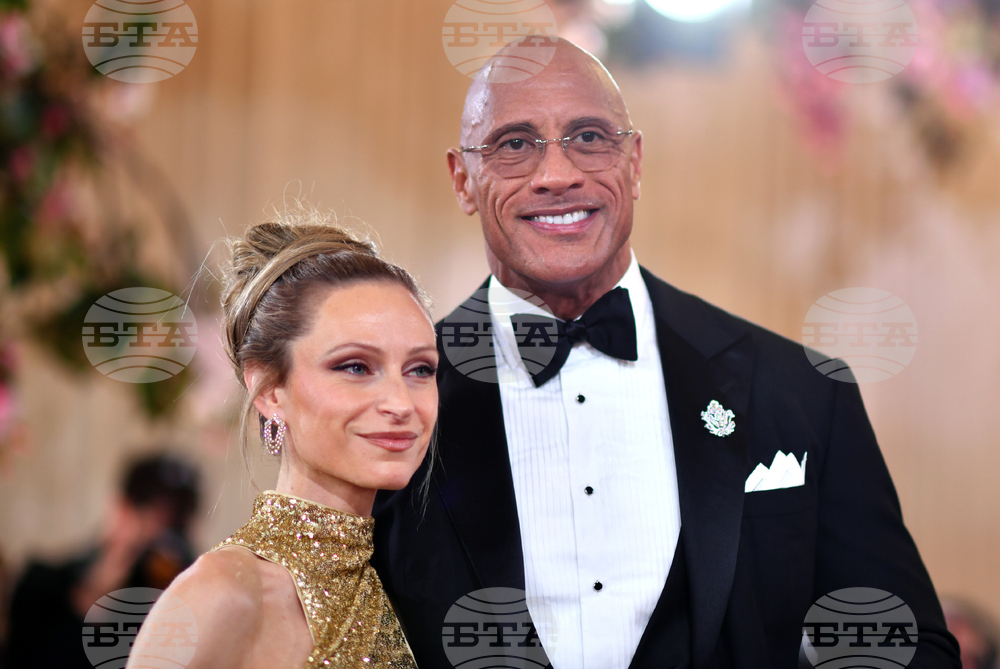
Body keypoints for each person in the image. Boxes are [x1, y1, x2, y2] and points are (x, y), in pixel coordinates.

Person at [371, 38, 962, 668]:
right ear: (463, 179)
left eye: (590, 137)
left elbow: (906, 648)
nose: (558, 174)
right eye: (515, 144)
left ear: (635, 160)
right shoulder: (389, 402)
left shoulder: (798, 389)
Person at [128, 208, 435, 667]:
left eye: (420, 369)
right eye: (355, 366)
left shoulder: (412, 587)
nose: (401, 403)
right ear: (270, 391)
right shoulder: (226, 594)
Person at [5, 451, 200, 669]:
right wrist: (92, 599)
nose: (161, 537)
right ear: (121, 509)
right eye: (148, 515)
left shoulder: (186, 600)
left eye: (175, 523)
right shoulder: (43, 586)